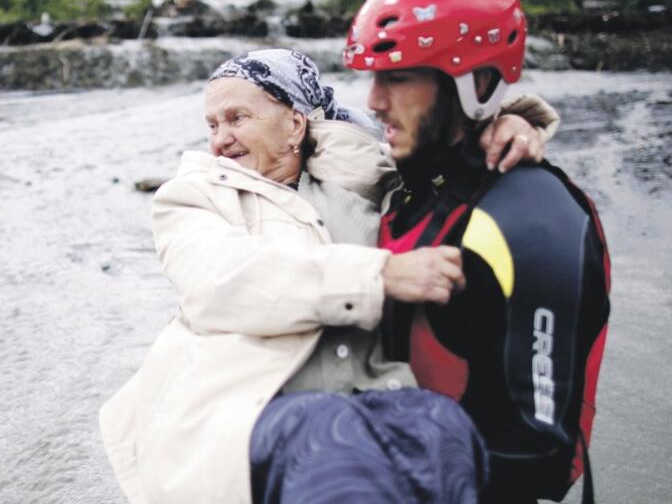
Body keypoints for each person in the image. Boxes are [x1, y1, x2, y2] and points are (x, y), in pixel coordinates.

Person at [100, 48, 555, 504]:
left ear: (296, 124)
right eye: (213, 125)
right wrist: (379, 275)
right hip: (246, 405)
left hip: (372, 391)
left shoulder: (368, 179)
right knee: (334, 446)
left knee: (444, 431)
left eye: (237, 118)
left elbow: (442, 150)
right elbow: (221, 280)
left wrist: (508, 125)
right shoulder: (193, 197)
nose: (220, 140)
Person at [345, 0, 611, 503]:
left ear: (476, 83)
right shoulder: (408, 184)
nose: (373, 102)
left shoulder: (534, 218)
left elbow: (538, 456)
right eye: (372, 77)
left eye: (396, 78)